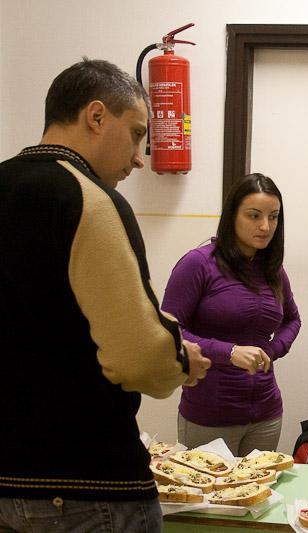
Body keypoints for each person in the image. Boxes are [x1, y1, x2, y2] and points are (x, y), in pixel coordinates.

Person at [0, 58, 211, 532]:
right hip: (87, 484)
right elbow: (140, 358)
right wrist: (180, 360)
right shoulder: (89, 199)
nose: (139, 158)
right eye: (136, 135)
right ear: (96, 116)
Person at [162, 173, 301, 456]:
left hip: (265, 415)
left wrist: (271, 350)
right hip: (209, 414)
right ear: (232, 215)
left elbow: (292, 319)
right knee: (208, 486)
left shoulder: (273, 270)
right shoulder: (198, 263)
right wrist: (230, 352)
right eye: (254, 215)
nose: (265, 226)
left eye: (274, 217)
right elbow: (167, 332)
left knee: (260, 485)